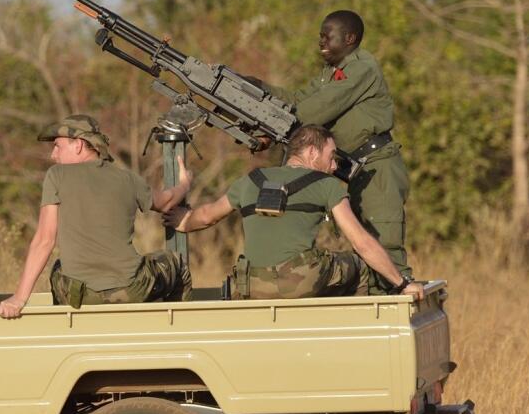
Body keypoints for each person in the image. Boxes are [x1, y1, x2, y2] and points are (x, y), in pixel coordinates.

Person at [168, 124, 424, 301]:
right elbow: (362, 242)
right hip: (299, 282)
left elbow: (206, 216)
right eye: (332, 157)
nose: (334, 166)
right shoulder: (326, 185)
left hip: (252, 286)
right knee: (360, 266)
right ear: (312, 152)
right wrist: (402, 283)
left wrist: (181, 220)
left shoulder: (249, 180)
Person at [263, 10, 411, 287]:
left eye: (326, 37)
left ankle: (396, 315)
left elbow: (314, 109)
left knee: (385, 250)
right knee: (363, 252)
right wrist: (256, 88)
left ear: (349, 38)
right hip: (350, 169)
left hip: (376, 169)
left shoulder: (362, 67)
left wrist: (273, 122)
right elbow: (297, 100)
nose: (321, 42)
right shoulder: (330, 73)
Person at [0, 114, 193, 319]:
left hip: (80, 296)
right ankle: (172, 334)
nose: (53, 155)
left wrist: (19, 299)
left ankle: (69, 329)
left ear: (79, 145)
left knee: (59, 268)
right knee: (177, 264)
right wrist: (185, 184)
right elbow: (167, 202)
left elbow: (44, 240)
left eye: (58, 146)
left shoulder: (56, 176)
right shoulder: (127, 178)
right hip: (132, 289)